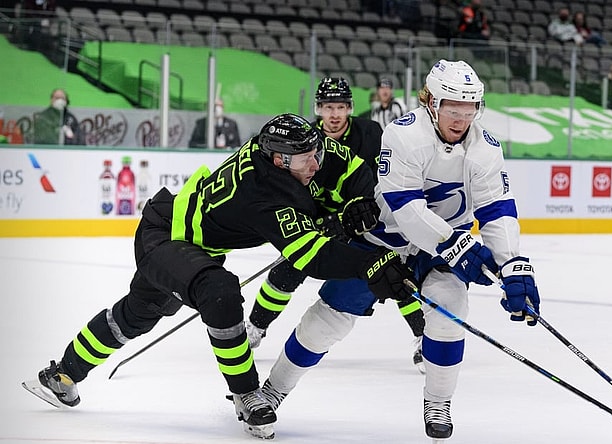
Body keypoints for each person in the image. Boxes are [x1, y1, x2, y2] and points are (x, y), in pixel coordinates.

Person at [22, 113, 416, 440]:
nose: (316, 163)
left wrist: (359, 199)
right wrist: (367, 261)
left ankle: (61, 375)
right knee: (220, 292)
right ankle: (247, 394)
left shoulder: (295, 149)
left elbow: (349, 167)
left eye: (316, 153)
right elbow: (310, 256)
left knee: (136, 314)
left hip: (194, 241)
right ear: (279, 161)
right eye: (307, 160)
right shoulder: (261, 194)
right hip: (166, 238)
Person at [253, 60, 540, 441]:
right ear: (430, 102)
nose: (461, 118)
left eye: (470, 109)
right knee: (328, 320)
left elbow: (497, 208)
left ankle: (438, 401)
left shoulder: (485, 147)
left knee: (451, 307)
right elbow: (405, 207)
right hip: (384, 239)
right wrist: (452, 243)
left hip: (440, 246)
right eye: (453, 108)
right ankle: (273, 390)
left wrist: (513, 264)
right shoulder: (404, 134)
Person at [245, 77, 427, 373]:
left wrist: (357, 214)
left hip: (365, 219)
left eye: (340, 107)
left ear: (349, 108)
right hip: (318, 221)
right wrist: (314, 222)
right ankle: (255, 327)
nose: (334, 114)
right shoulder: (303, 138)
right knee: (286, 271)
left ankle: (423, 336)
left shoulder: (370, 134)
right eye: (328, 107)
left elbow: (383, 178)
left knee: (391, 271)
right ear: (318, 109)